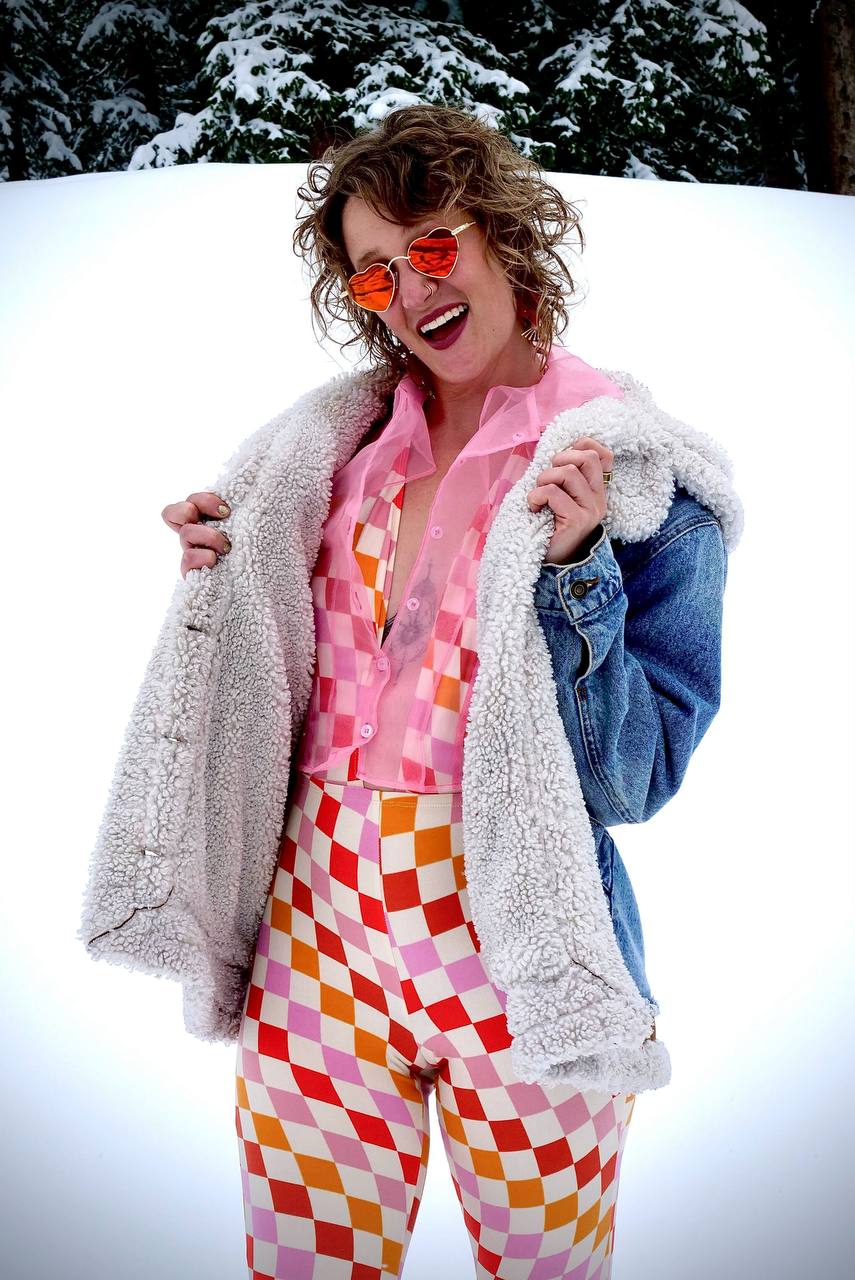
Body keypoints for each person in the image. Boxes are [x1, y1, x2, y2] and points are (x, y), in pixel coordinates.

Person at [80, 105, 743, 1279]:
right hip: (318, 938)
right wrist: (225, 567)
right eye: (377, 272)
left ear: (501, 231)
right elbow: (262, 682)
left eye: (433, 245)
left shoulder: (640, 483)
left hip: (517, 940)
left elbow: (634, 781)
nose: (412, 289)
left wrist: (580, 571)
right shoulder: (326, 455)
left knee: (546, 1267)